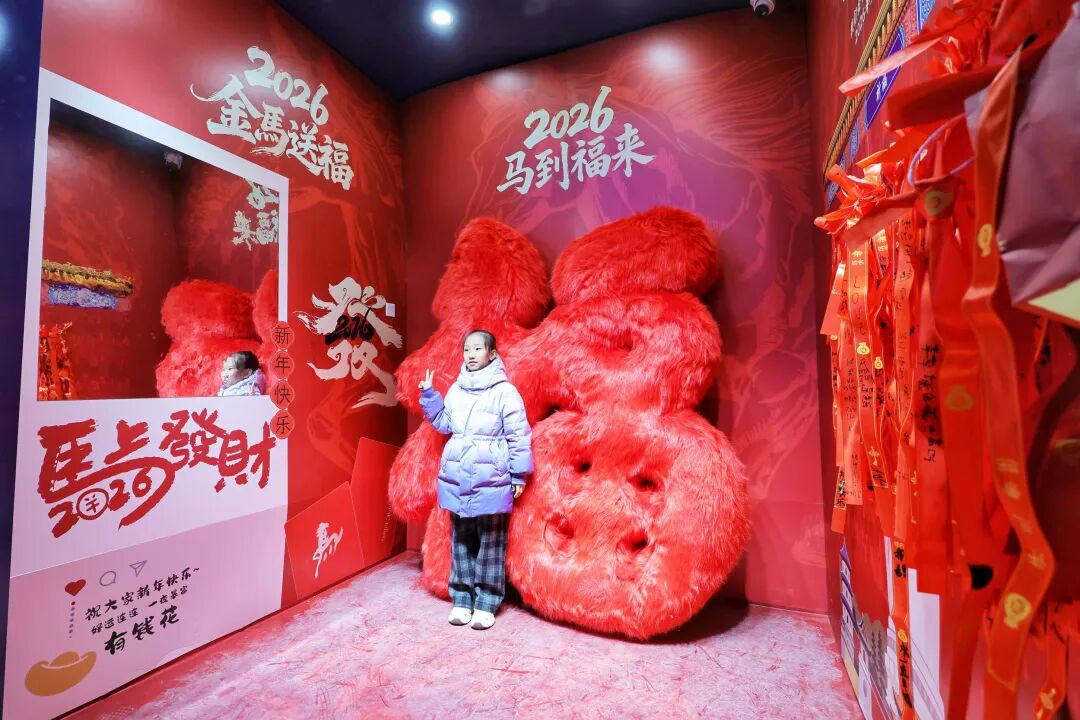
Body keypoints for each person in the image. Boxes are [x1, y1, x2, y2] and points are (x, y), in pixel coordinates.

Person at [418, 329, 533, 630]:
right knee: (461, 540)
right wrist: (430, 396)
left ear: (492, 354)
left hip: (491, 476)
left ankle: (486, 603)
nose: (470, 354)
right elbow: (445, 424)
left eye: (477, 349)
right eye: (467, 349)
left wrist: (519, 474)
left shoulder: (505, 392)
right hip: (458, 476)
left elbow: (518, 434)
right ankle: (462, 599)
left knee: (491, 542)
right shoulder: (457, 389)